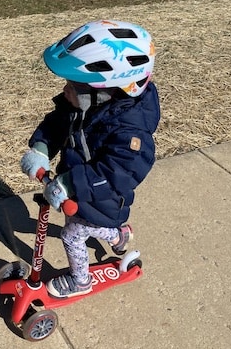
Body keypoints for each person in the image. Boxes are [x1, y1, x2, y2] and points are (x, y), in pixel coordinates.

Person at [20, 20, 160, 298]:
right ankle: (119, 236)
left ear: (106, 92)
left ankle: (80, 281)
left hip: (101, 199)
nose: (65, 91)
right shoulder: (89, 105)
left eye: (73, 86)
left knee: (72, 234)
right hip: (81, 194)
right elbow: (57, 123)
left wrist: (70, 185)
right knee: (91, 229)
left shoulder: (132, 135)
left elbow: (116, 175)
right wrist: (40, 149)